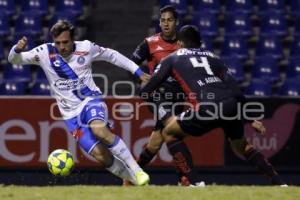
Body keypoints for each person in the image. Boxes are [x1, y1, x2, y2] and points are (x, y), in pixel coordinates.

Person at [140, 25, 287, 186]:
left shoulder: (172, 58)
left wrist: (160, 108)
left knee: (169, 132)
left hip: (207, 107)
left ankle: (194, 183)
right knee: (243, 145)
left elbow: (148, 89)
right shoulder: (214, 57)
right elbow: (236, 91)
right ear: (200, 42)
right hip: (229, 104)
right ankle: (279, 183)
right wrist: (250, 119)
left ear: (180, 44)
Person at [8, 20, 150, 186]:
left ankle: (138, 172)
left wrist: (138, 72)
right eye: (58, 43)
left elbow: (112, 55)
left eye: (65, 42)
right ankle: (134, 181)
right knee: (100, 156)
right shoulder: (44, 52)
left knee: (100, 131)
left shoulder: (86, 48)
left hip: (90, 100)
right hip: (70, 115)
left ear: (73, 40)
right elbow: (15, 60)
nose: (62, 47)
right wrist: (16, 49)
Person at [129, 5, 199, 186]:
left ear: (176, 22)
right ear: (159, 22)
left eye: (169, 20)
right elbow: (130, 64)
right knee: (172, 133)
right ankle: (187, 179)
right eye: (163, 20)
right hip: (158, 95)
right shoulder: (150, 43)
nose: (166, 24)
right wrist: (141, 78)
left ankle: (131, 176)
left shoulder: (184, 43)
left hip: (178, 98)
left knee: (156, 142)